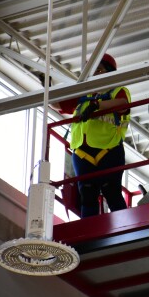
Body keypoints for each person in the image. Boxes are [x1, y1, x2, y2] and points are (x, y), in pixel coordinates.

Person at [51, 54, 131, 218]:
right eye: (92, 71)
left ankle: (126, 226)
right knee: (86, 195)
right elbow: (55, 103)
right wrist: (48, 85)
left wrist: (97, 105)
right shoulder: (83, 96)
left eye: (99, 70)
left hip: (109, 149)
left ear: (109, 72)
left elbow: (123, 105)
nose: (95, 74)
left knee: (112, 191)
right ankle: (88, 233)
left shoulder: (116, 90)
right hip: (82, 152)